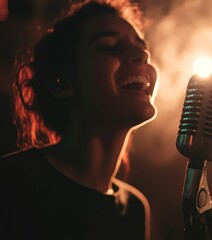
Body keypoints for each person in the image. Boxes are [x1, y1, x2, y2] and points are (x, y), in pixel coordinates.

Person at [0, 1, 158, 239]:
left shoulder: (135, 209)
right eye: (109, 46)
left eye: (141, 48)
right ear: (61, 83)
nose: (141, 55)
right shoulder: (12, 182)